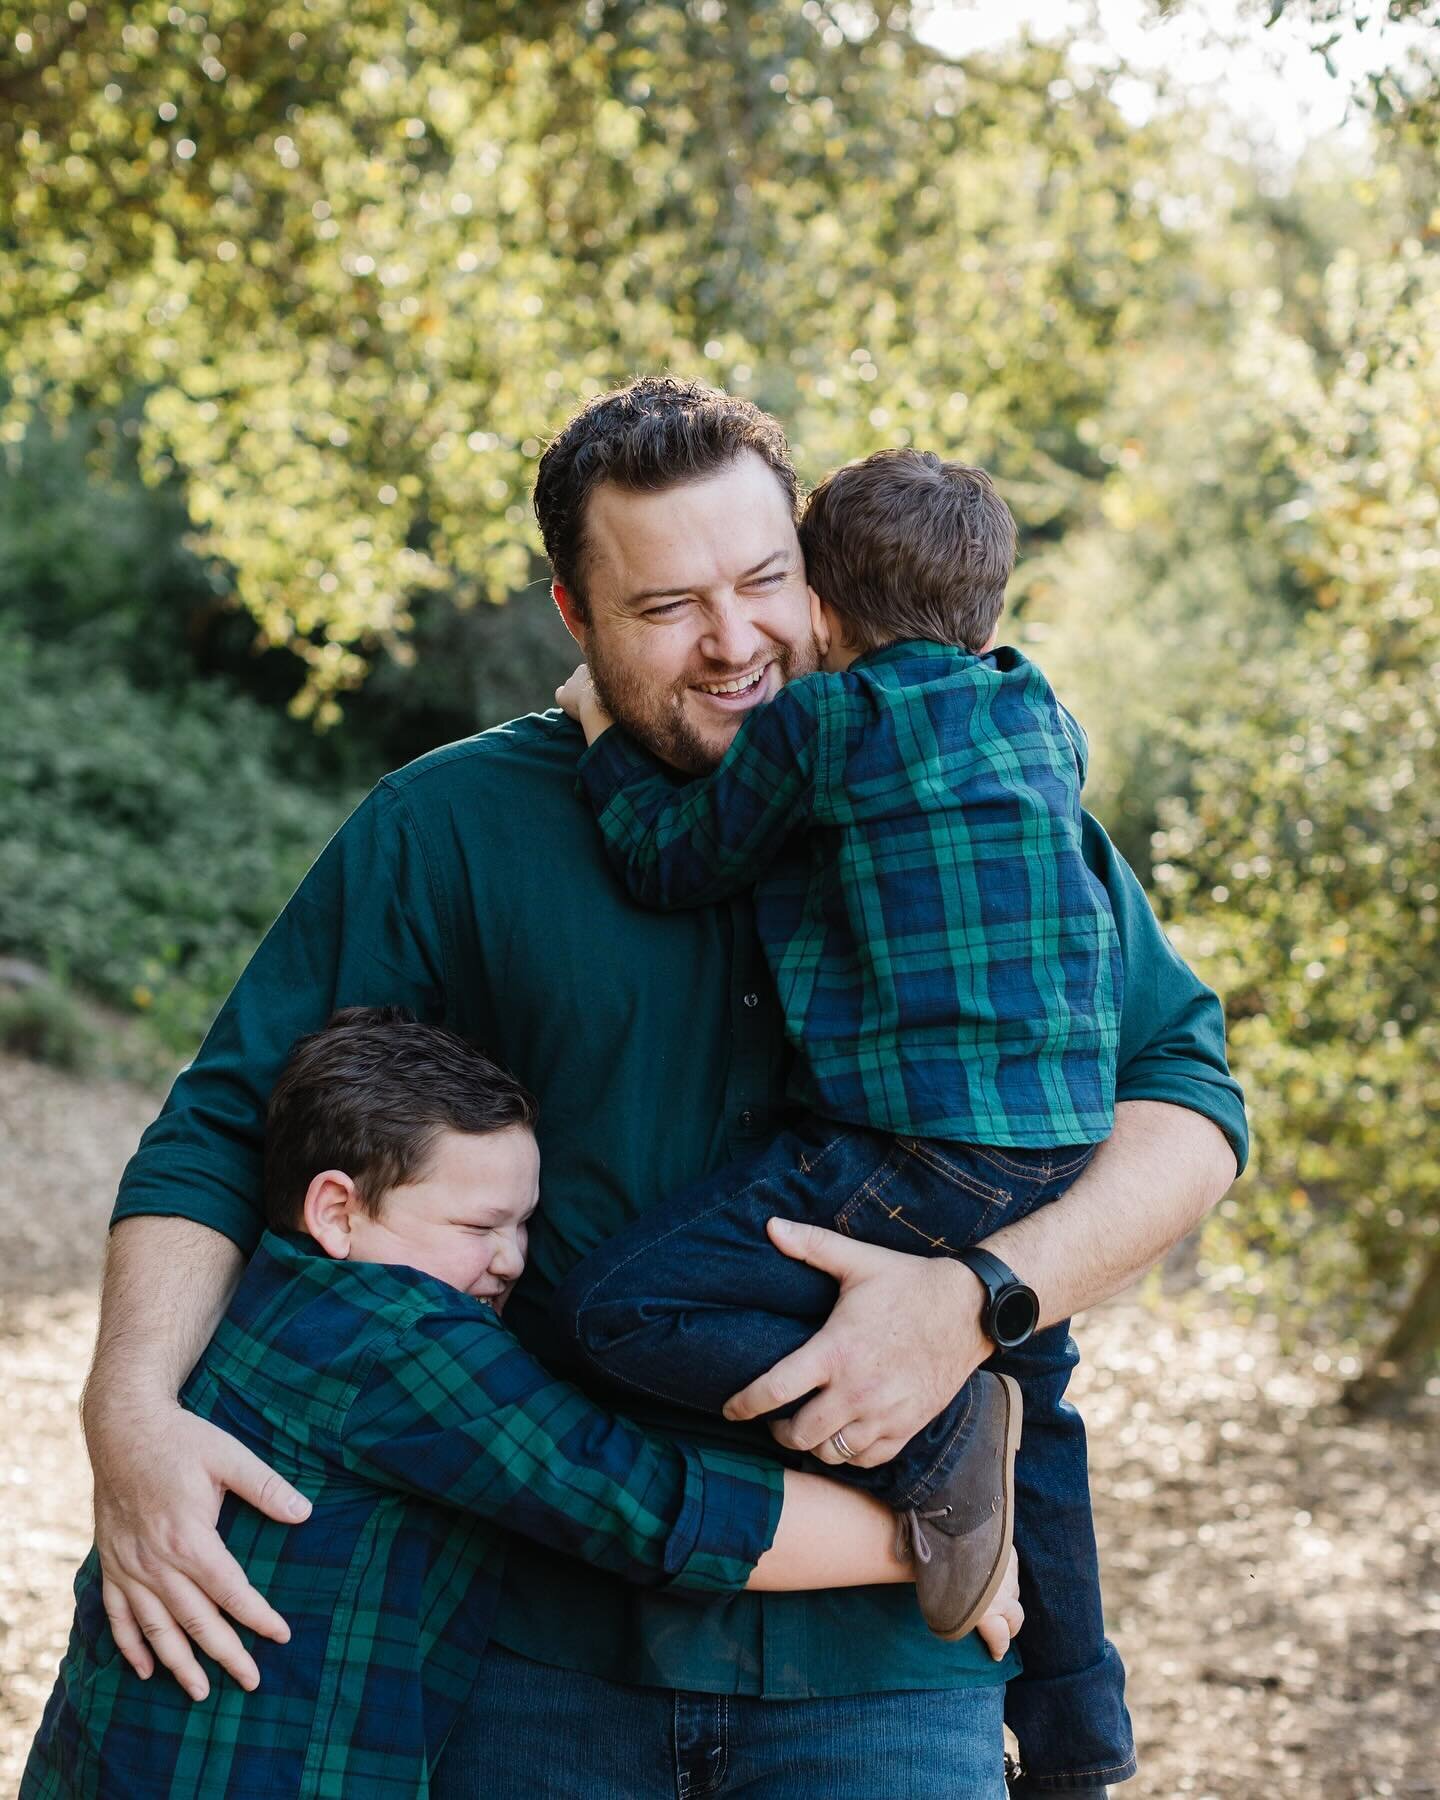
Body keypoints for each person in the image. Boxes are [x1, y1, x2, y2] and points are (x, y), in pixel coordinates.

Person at [80, 377, 1245, 1800]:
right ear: (575, 616)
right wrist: (130, 1414)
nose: (736, 641)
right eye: (666, 608)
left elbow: (1188, 1103)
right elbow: (219, 1130)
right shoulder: (448, 827)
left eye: (765, 581)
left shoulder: (973, 794)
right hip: (525, 1647)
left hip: (888, 1663)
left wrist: (978, 1299)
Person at [25, 1008, 962, 1799]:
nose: (511, 1260)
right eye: (478, 1227)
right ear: (337, 1211)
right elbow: (636, 1502)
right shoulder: (397, 1335)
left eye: (524, 1225)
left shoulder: (269, 1297)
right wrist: (930, 1545)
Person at [550, 446, 1120, 1672]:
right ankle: (1078, 1745)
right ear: (993, 603)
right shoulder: (1040, 717)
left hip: (921, 1143)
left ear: (818, 606)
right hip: (1062, 1147)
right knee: (1048, 1421)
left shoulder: (825, 719)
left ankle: (936, 1429)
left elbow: (669, 861)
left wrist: (600, 730)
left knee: (622, 1308)